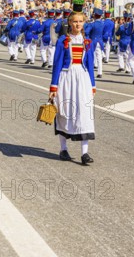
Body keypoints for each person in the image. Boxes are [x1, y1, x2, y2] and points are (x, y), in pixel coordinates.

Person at [49, 11, 96, 165]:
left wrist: (93, 85)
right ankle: (63, 149)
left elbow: (89, 65)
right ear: (69, 23)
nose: (78, 24)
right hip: (66, 78)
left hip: (82, 78)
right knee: (65, 112)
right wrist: (53, 86)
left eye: (81, 21)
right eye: (75, 21)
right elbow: (57, 64)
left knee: (84, 112)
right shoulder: (63, 40)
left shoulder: (87, 41)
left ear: (84, 23)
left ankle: (85, 153)